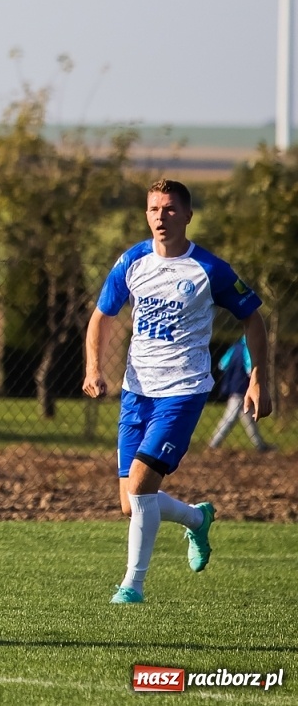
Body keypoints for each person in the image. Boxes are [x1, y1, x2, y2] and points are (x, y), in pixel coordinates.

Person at [83, 178, 270, 605]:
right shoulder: (132, 261)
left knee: (144, 485)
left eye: (169, 209)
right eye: (153, 209)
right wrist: (94, 369)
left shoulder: (209, 269)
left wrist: (258, 378)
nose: (160, 217)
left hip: (183, 392)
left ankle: (133, 585)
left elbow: (253, 319)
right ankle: (196, 518)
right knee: (131, 504)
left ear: (187, 215)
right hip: (136, 392)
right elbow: (101, 317)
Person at [208, 337, 271, 452]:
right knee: (230, 418)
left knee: (249, 418)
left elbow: (222, 364)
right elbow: (250, 369)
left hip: (233, 386)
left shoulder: (235, 347)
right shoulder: (249, 349)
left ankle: (260, 445)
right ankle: (213, 444)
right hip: (243, 388)